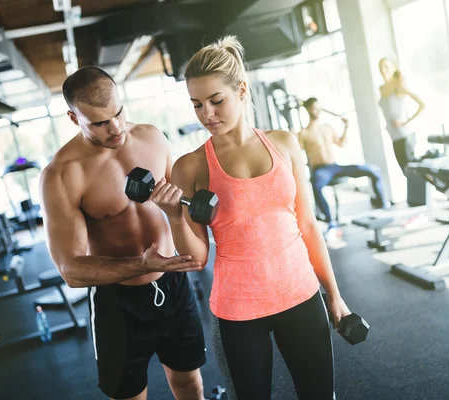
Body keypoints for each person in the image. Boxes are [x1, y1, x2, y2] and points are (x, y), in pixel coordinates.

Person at [150, 36, 350, 400]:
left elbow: (307, 226)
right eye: (196, 105)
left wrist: (334, 295)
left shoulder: (285, 144)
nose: (206, 114)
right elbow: (196, 258)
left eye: (216, 101)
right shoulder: (190, 166)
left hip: (301, 295)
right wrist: (174, 217)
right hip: (238, 310)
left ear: (241, 90)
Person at [39, 66, 207, 400]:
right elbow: (71, 269)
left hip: (173, 287)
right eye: (100, 123)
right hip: (117, 302)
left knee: (190, 384)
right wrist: (142, 265)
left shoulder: (152, 138)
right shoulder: (62, 175)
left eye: (118, 113)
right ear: (74, 118)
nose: (115, 128)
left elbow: (182, 210)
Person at [299, 97, 390, 232]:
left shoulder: (327, 127)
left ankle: (383, 205)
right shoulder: (304, 133)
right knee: (316, 185)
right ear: (307, 109)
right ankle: (331, 220)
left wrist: (346, 127)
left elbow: (341, 143)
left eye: (318, 107)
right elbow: (297, 155)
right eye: (313, 107)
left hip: (335, 166)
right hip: (321, 170)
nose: (317, 110)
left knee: (374, 170)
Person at [378, 57, 426, 173]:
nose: (383, 70)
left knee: (413, 173)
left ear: (393, 68)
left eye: (386, 67)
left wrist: (406, 121)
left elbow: (422, 104)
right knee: (406, 172)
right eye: (380, 67)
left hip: (405, 135)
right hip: (394, 136)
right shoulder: (381, 89)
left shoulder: (399, 88)